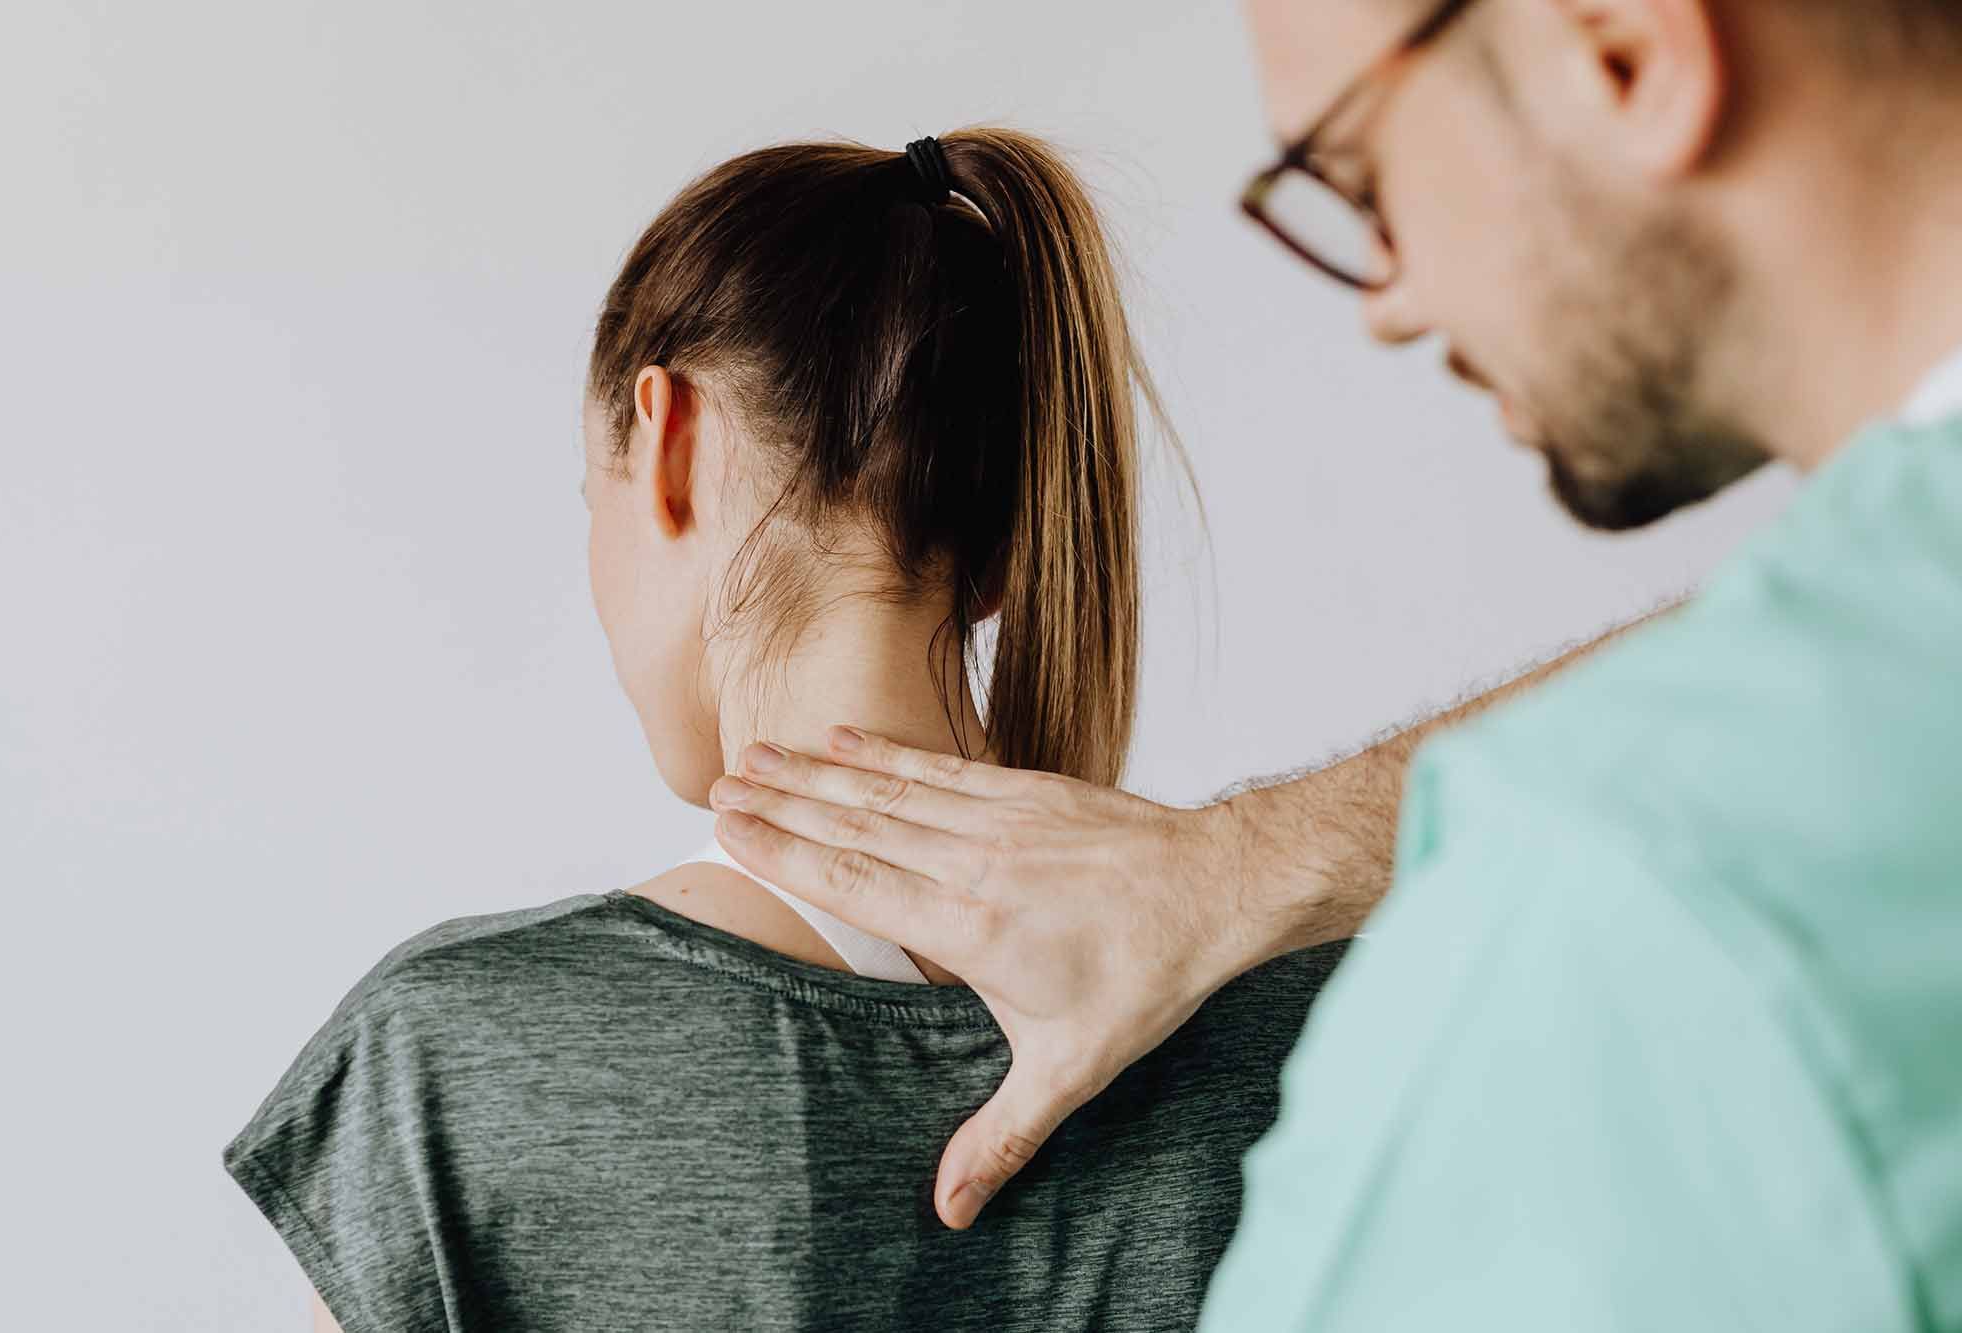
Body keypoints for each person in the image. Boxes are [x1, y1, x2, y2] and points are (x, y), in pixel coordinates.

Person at [710, 1, 1962, 1326]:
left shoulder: (1612, 906)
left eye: (1358, 177)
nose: (1390, 300)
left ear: (1623, 50)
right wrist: (1250, 859)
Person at [221, 128, 1352, 1332]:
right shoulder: (1324, 1016)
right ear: (994, 549)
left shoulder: (454, 1064)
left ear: (670, 442)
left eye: (585, 494)